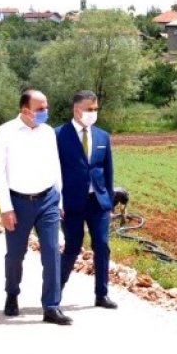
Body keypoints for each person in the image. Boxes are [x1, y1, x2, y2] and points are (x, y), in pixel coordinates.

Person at [0, 89, 70, 325]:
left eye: (46, 107)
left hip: (47, 200)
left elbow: (55, 166)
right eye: (40, 109)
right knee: (15, 255)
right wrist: (6, 208)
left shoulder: (47, 133)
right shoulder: (5, 132)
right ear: (25, 110)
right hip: (18, 202)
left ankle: (51, 306)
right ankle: (12, 294)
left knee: (52, 252)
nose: (45, 112)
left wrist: (60, 201)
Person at [57, 91, 117, 309]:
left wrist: (109, 201)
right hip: (71, 203)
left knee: (102, 245)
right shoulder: (58, 135)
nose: (93, 113)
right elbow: (53, 171)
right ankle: (55, 293)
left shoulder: (102, 137)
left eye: (95, 109)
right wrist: (57, 202)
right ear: (77, 110)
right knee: (72, 247)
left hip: (97, 202)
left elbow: (108, 170)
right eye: (89, 109)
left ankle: (102, 294)